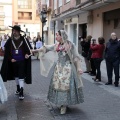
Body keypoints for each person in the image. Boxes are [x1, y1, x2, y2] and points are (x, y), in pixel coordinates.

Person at [32, 30, 84, 114]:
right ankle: (61, 103)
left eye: (57, 35)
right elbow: (46, 48)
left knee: (66, 86)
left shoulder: (71, 45)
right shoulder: (57, 45)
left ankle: (64, 105)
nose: (56, 37)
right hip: (59, 68)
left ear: (62, 36)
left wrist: (78, 68)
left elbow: (76, 57)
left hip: (68, 69)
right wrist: (35, 51)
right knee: (58, 86)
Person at [0, 25, 32, 100]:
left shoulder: (24, 39)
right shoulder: (10, 40)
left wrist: (27, 54)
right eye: (13, 31)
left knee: (21, 76)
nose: (13, 32)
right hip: (13, 61)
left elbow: (29, 50)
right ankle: (18, 88)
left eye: (15, 31)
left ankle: (21, 92)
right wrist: (10, 59)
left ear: (18, 32)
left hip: (22, 61)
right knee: (16, 76)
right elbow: (6, 51)